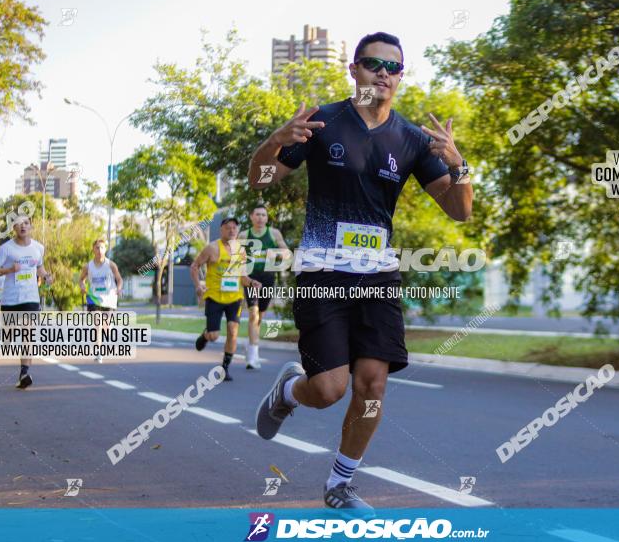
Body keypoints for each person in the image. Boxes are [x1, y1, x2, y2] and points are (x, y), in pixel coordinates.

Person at [248, 32, 472, 513]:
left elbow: (459, 212)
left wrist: (460, 167)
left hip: (378, 277)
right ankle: (288, 390)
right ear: (354, 69)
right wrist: (274, 142)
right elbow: (260, 180)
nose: (383, 74)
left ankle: (340, 484)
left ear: (401, 77)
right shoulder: (323, 121)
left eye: (392, 67)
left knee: (372, 384)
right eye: (373, 64)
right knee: (329, 390)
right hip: (321, 274)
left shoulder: (412, 139)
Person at [188, 217, 262, 382]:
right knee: (214, 335)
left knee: (233, 331)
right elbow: (194, 266)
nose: (231, 231)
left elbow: (242, 276)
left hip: (234, 298)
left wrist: (251, 282)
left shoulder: (240, 251)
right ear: (221, 230)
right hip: (214, 296)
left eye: (234, 228)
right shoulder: (212, 248)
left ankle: (225, 368)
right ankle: (206, 335)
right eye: (228, 228)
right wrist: (198, 286)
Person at [0, 215, 52, 389]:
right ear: (14, 228)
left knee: (28, 332)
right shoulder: (6, 249)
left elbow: (39, 267)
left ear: (31, 226)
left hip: (30, 297)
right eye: (18, 224)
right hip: (10, 299)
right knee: (11, 332)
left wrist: (45, 276)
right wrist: (9, 269)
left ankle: (24, 372)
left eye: (26, 223)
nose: (22, 226)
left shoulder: (38, 247)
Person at [240, 205, 289, 369]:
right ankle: (253, 357)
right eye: (257, 214)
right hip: (251, 278)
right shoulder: (244, 235)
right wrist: (244, 278)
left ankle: (250, 345)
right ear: (251, 217)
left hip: (268, 277)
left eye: (263, 215)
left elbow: (286, 252)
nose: (260, 218)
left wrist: (279, 253)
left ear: (267, 218)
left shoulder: (274, 233)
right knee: (253, 314)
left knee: (260, 316)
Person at [79, 238, 123, 363]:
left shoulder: (111, 265)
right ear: (93, 249)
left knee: (106, 327)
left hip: (109, 299)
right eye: (97, 247)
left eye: (102, 247)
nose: (99, 250)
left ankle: (108, 328)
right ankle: (98, 352)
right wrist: (82, 287)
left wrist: (119, 289)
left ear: (105, 249)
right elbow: (81, 280)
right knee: (97, 324)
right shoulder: (88, 266)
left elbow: (119, 279)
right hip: (93, 298)